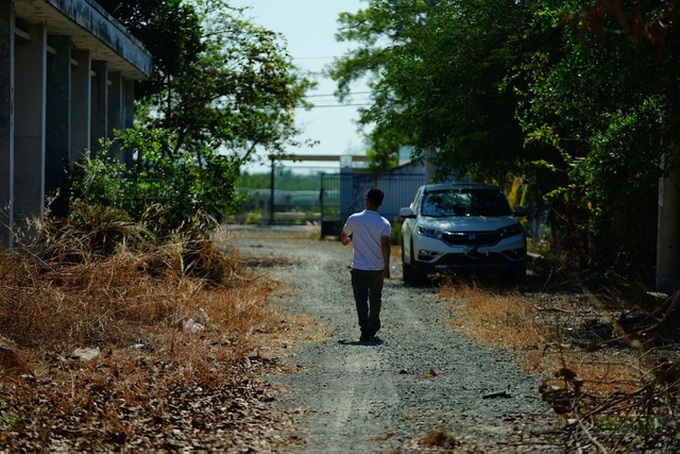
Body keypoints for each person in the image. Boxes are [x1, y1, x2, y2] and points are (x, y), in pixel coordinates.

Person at [340, 187, 391, 342]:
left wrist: (348, 240)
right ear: (380, 204)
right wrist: (387, 267)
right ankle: (374, 326)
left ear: (366, 201)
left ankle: (365, 329)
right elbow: (385, 246)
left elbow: (344, 236)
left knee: (361, 300)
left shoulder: (354, 219)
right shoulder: (384, 223)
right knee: (376, 298)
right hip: (377, 268)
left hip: (359, 268)